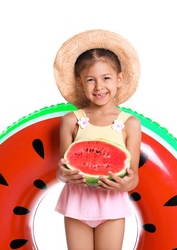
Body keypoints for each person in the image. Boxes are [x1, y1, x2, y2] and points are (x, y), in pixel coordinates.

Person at [53, 29, 141, 250]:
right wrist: (63, 174)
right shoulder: (71, 120)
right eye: (90, 80)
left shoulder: (130, 123)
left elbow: (134, 177)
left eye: (106, 78)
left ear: (119, 79)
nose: (99, 86)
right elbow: (63, 169)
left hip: (112, 205)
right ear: (81, 83)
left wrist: (126, 183)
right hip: (77, 203)